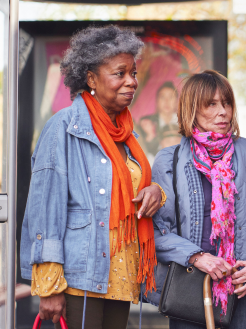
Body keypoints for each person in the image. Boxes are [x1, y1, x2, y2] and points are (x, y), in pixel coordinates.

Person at [19, 25, 166, 329]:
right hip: (80, 277)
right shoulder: (63, 127)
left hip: (121, 276)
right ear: (91, 79)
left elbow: (134, 188)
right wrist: (49, 285)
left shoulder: (127, 135)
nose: (131, 82)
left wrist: (156, 192)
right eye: (120, 73)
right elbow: (46, 211)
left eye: (134, 73)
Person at [146, 70, 246, 329]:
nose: (223, 111)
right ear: (192, 108)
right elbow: (156, 230)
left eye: (226, 103)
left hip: (242, 292)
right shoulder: (170, 160)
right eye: (211, 104)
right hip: (188, 288)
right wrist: (196, 256)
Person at [138, 81, 180, 157]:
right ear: (157, 101)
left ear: (176, 101)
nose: (166, 101)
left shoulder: (184, 122)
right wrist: (150, 136)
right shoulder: (147, 122)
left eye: (171, 97)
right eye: (162, 97)